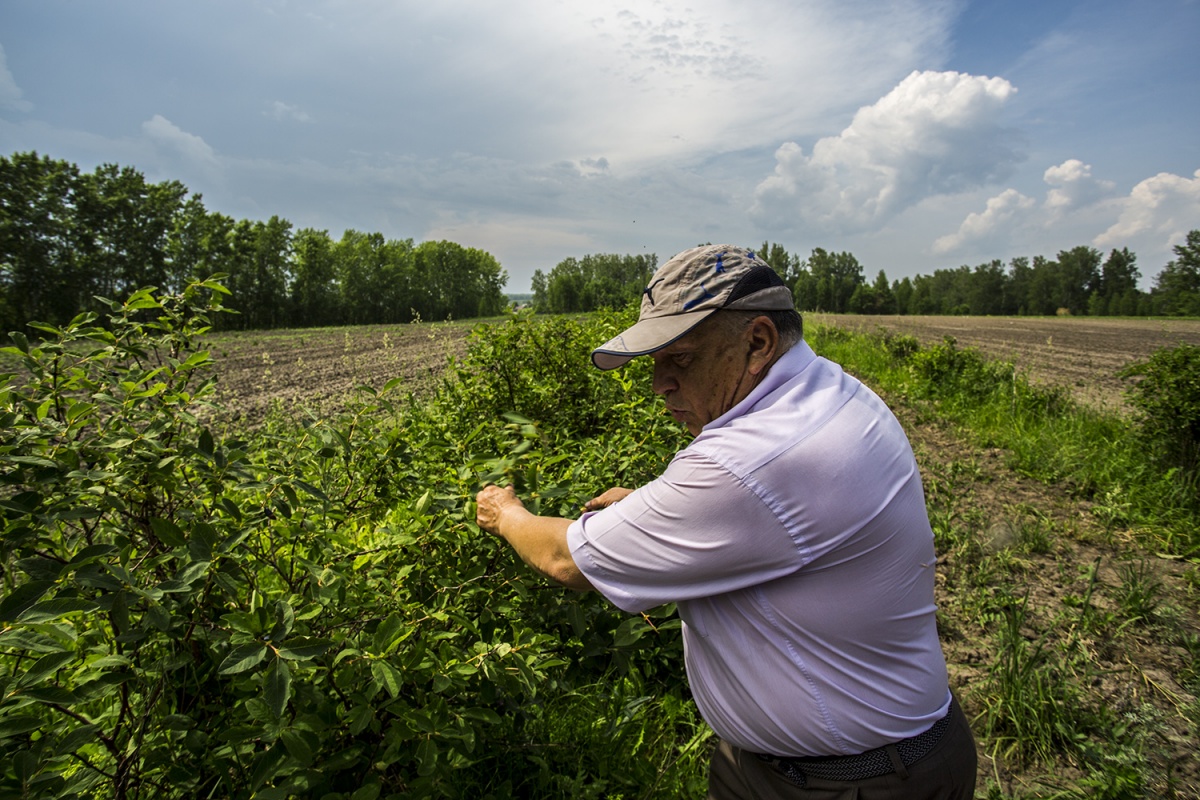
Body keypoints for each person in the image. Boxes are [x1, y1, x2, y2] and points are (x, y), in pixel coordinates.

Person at [475, 244, 977, 799]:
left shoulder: (748, 460)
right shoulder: (825, 392)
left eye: (681, 359)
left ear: (757, 342)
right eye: (655, 362)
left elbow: (564, 558)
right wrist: (654, 508)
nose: (658, 384)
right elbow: (782, 513)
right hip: (849, 762)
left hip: (850, 784)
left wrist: (506, 513)